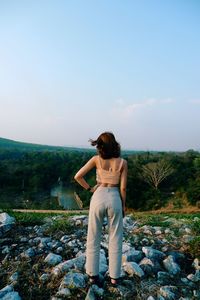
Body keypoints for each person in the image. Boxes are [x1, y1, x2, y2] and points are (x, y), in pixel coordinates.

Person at [74, 132, 128, 286]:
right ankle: (115, 278)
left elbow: (78, 176)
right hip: (114, 197)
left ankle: (92, 275)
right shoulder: (122, 162)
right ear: (114, 144)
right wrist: (123, 205)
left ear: (100, 145)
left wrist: (90, 189)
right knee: (116, 238)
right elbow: (123, 188)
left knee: (93, 236)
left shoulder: (96, 160)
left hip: (98, 196)